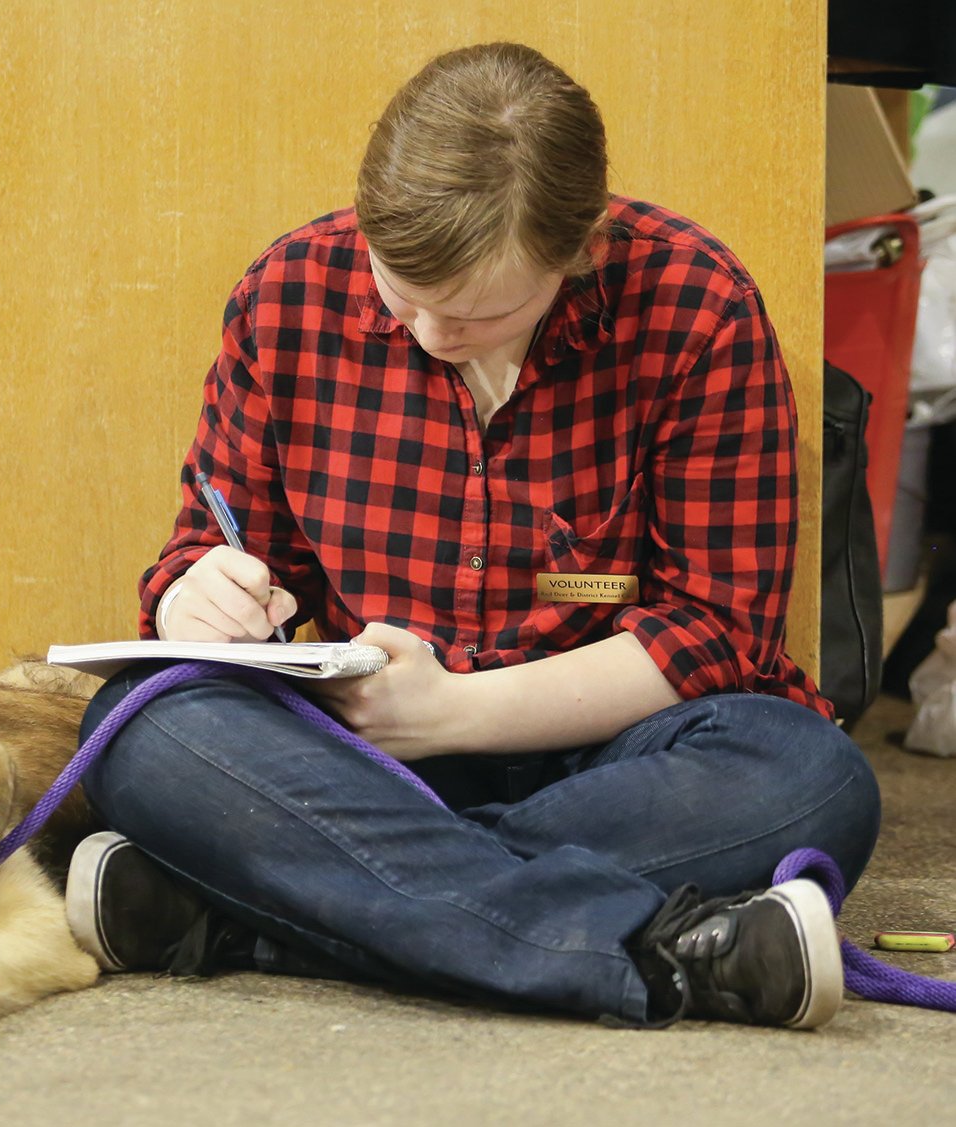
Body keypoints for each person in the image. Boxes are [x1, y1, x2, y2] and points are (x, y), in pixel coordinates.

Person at [64, 42, 881, 1029]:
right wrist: (195, 589)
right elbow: (212, 538)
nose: (423, 334)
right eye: (400, 293)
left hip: (615, 754)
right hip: (363, 754)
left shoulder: (697, 307)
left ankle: (260, 917)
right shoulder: (287, 293)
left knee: (812, 775)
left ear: (579, 250)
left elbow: (717, 629)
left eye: (476, 312)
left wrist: (454, 712)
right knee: (143, 728)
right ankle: (667, 955)